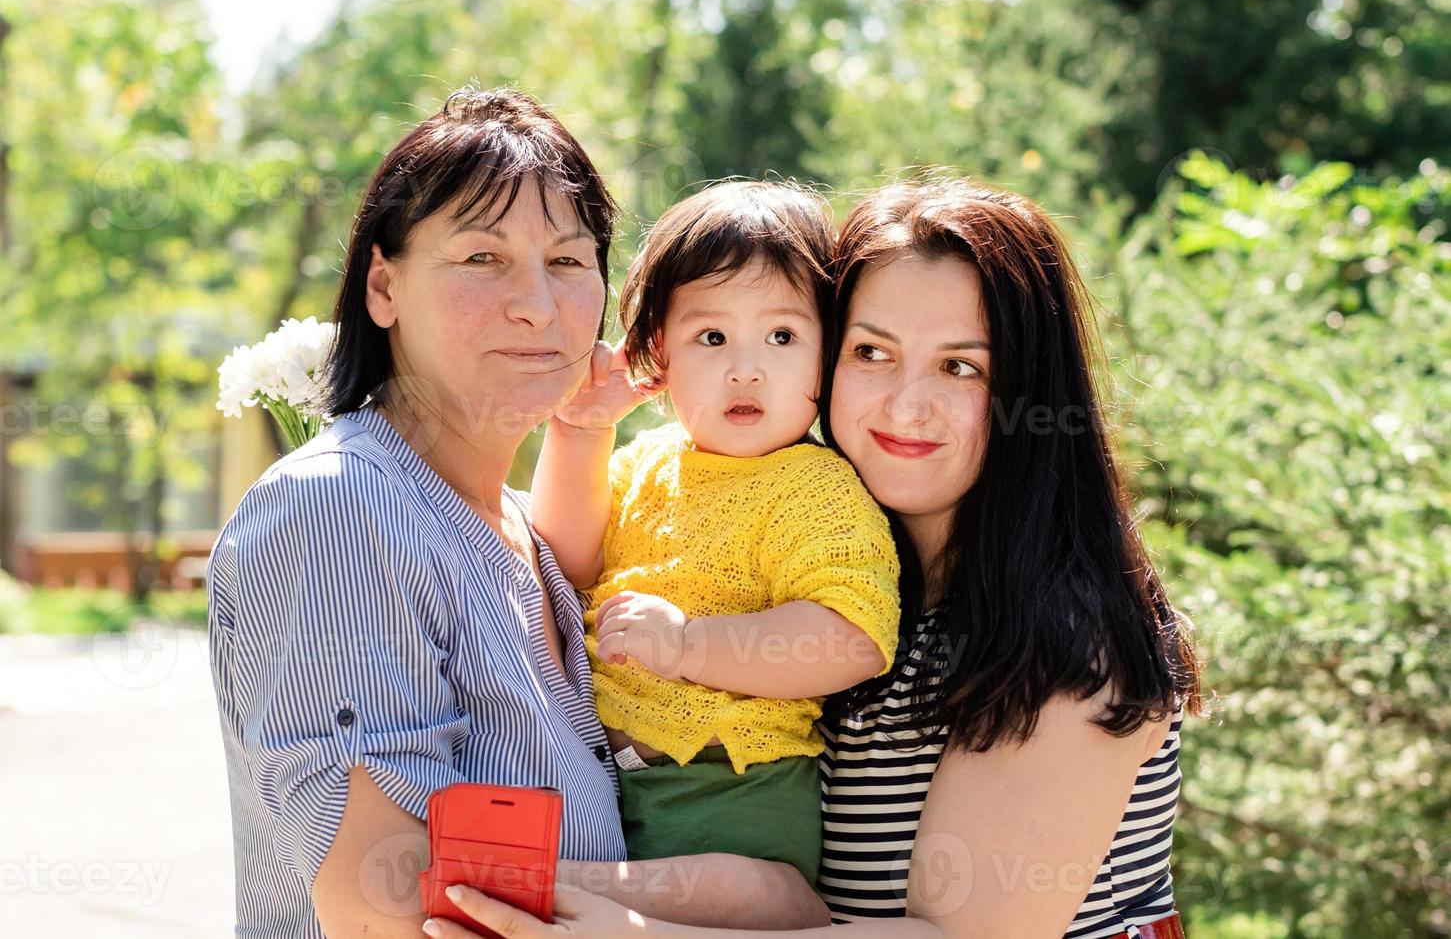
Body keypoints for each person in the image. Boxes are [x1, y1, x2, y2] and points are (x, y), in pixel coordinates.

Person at [430, 177, 1201, 939]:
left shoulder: (1065, 629)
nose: (904, 403)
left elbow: (960, 937)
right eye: (872, 352)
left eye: (960, 367)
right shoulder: (850, 564)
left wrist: (618, 927)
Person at [204, 87, 827, 939]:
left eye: (569, 263)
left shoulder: (532, 535)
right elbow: (387, 906)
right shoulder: (339, 512)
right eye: (482, 258)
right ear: (382, 286)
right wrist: (755, 905)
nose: (537, 304)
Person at [531, 180, 901, 886]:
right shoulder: (644, 463)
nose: (746, 367)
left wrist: (687, 645)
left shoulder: (814, 486)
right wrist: (579, 431)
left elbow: (851, 638)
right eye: (711, 337)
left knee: (751, 896)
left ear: (830, 353)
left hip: (731, 785)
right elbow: (564, 558)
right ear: (656, 352)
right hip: (608, 779)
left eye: (783, 336)